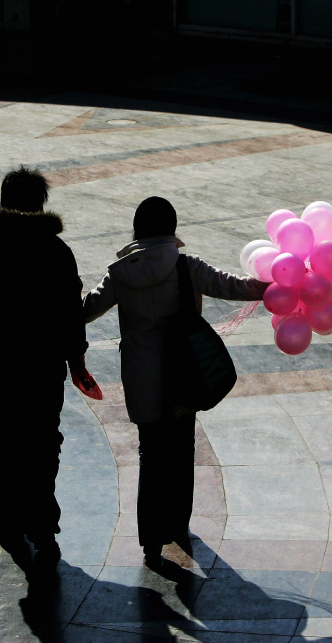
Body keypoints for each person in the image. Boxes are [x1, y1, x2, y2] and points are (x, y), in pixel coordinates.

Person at [82, 196, 267, 568]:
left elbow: (86, 310)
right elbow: (233, 286)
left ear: (136, 229)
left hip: (141, 377)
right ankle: (177, 526)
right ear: (172, 229)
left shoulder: (120, 274)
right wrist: (274, 284)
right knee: (181, 450)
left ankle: (151, 539)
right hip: (184, 372)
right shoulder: (187, 267)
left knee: (150, 454)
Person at [0, 165, 89, 570]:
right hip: (43, 363)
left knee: (7, 437)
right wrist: (76, 357)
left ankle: (9, 521)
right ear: (39, 204)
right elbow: (70, 309)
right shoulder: (54, 250)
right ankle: (42, 524)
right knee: (44, 440)